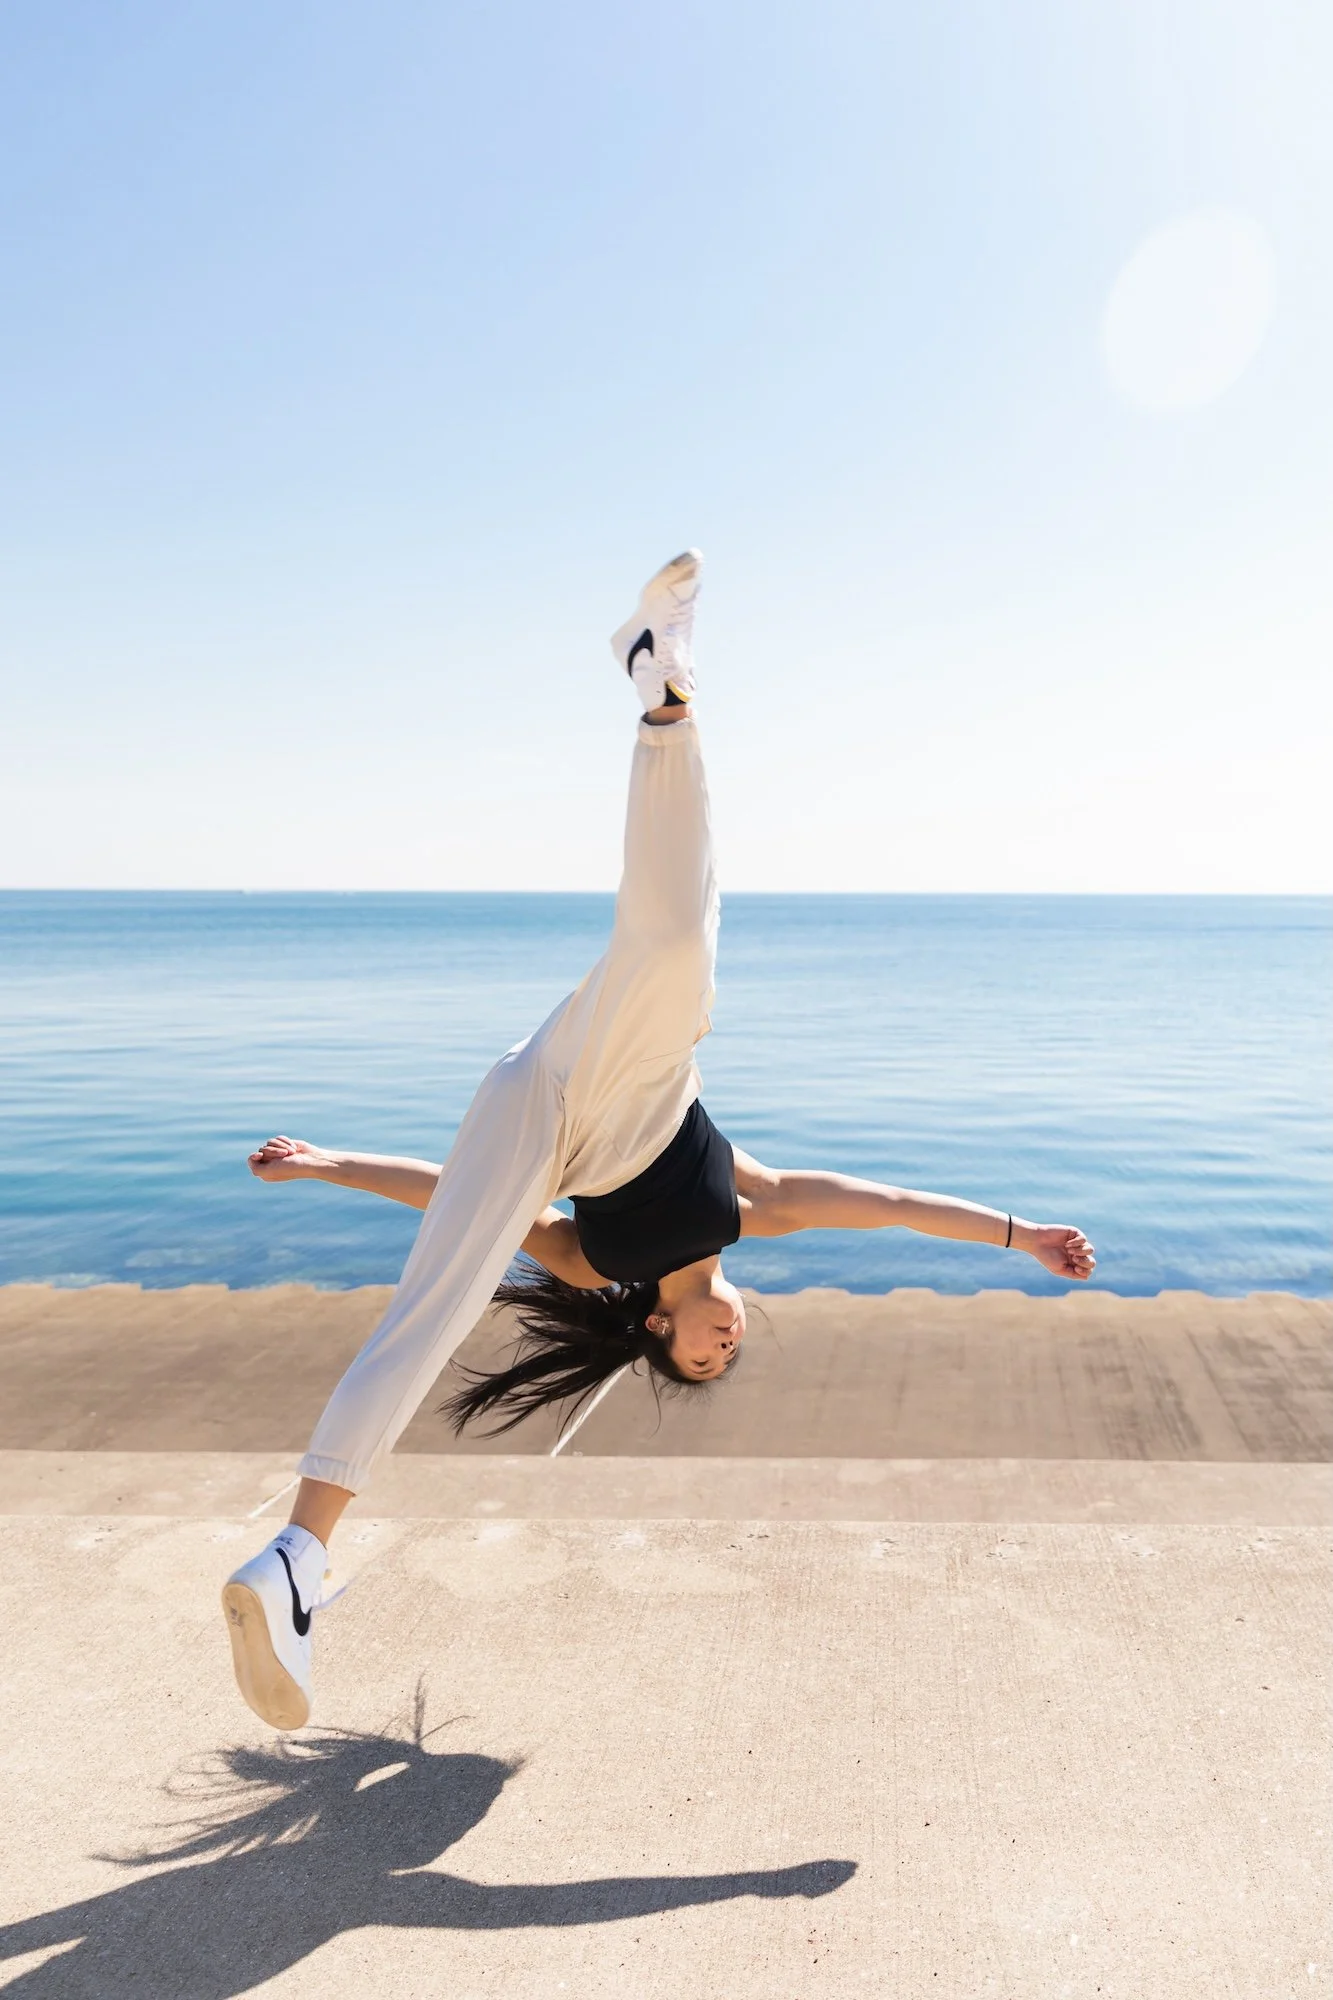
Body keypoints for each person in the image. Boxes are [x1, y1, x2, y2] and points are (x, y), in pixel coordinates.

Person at [223, 550, 1096, 1730]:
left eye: (700, 1361)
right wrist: (1018, 1234)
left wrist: (331, 1163)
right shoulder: (750, 1203)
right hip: (621, 1067)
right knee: (676, 940)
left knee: (426, 1310)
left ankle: (290, 1556)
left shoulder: (597, 1262)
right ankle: (664, 698)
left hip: (537, 1113)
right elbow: (889, 1203)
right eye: (727, 1356)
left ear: (655, 1329)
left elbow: (451, 1198)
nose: (723, 1346)